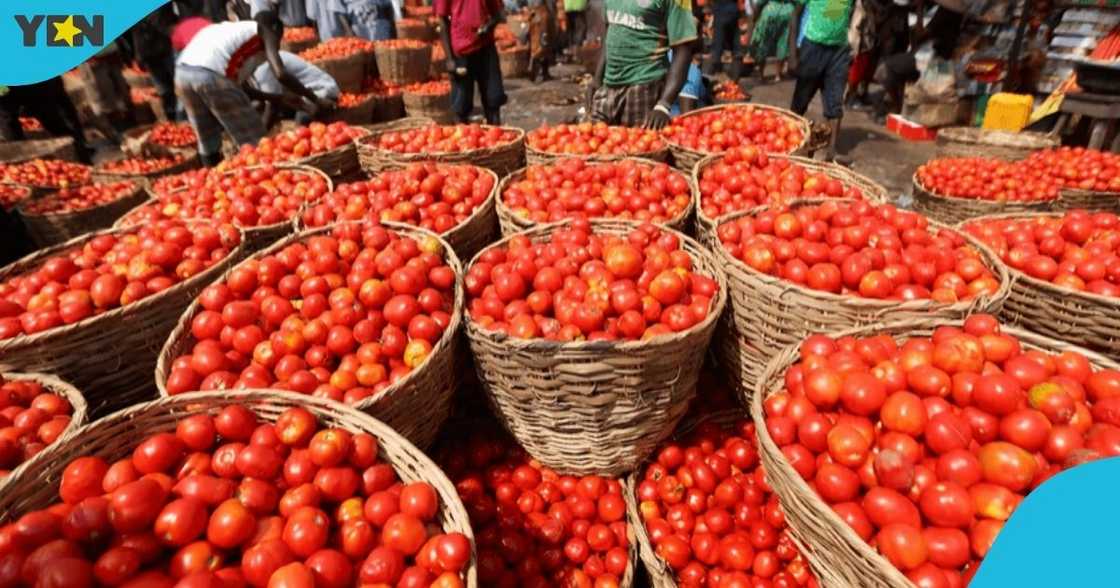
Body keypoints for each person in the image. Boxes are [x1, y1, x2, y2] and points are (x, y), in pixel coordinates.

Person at [175, 12, 333, 165]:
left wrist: (278, 98)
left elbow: (240, 88)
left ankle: (211, 181)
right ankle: (264, 180)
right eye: (279, 38)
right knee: (255, 141)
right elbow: (281, 73)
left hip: (182, 73)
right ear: (275, 28)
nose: (277, 44)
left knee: (207, 137)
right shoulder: (263, 29)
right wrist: (315, 99)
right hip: (211, 74)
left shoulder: (232, 34)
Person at [589, 0, 698, 129]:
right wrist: (597, 79)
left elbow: (683, 48)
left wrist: (663, 105)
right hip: (608, 85)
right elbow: (610, 32)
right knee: (595, 142)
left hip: (644, 87)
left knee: (637, 146)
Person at [787, 0, 855, 162]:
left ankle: (831, 151)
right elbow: (795, 15)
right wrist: (792, 53)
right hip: (813, 46)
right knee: (801, 99)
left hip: (839, 50)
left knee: (835, 100)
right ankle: (789, 139)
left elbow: (843, 14)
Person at [875, 1, 963, 121]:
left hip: (934, 60)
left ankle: (898, 108)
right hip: (926, 55)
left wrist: (920, 9)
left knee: (885, 69)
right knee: (892, 67)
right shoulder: (942, 10)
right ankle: (899, 107)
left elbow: (920, 35)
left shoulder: (945, 12)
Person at [436, 0, 507, 124]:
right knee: (461, 105)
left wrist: (488, 26)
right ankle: (462, 137)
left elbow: (498, 14)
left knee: (494, 99)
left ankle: (496, 136)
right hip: (461, 51)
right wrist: (450, 59)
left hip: (486, 48)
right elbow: (442, 21)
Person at [0, 79, 94, 163]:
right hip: (32, 82)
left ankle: (22, 163)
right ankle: (82, 156)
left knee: (9, 123)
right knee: (55, 123)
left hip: (12, 86)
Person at [249, 51, 341, 125]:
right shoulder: (263, 62)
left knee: (302, 119)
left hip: (321, 91)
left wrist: (259, 138)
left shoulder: (262, 70)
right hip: (307, 95)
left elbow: (272, 107)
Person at [845, 0, 907, 109]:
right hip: (863, 27)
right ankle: (851, 96)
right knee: (859, 64)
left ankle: (861, 94)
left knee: (869, 64)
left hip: (874, 29)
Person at [129, 4, 180, 119]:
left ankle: (177, 120)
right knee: (169, 89)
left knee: (170, 89)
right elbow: (159, 23)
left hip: (155, 49)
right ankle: (177, 120)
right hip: (157, 50)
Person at [78, 41, 135, 141]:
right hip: (93, 60)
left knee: (122, 90)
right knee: (104, 96)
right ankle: (117, 132)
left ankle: (130, 126)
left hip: (111, 54)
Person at [747, 0, 795, 82]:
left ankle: (761, 74)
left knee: (763, 42)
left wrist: (755, 17)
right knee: (782, 42)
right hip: (787, 12)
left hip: (770, 12)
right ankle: (777, 75)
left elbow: (760, 3)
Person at [705, 0, 743, 81]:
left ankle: (709, 78)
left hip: (720, 11)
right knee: (736, 47)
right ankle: (734, 82)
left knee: (717, 47)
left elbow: (704, 2)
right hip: (733, 11)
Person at [529, 0, 558, 81]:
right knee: (544, 44)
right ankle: (537, 71)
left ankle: (542, 72)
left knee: (539, 44)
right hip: (542, 16)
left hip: (536, 15)